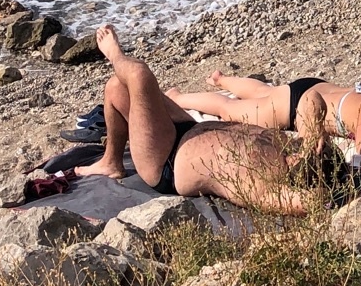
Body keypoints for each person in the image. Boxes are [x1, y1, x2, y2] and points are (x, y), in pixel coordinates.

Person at [73, 27, 313, 213]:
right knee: (117, 87)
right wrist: (316, 136)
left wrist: (327, 197)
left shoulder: (262, 185)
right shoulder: (290, 145)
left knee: (137, 75)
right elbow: (313, 100)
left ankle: (114, 55)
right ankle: (111, 162)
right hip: (192, 129)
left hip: (167, 161)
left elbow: (312, 202)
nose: (306, 156)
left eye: (312, 163)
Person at [168, 71, 361, 153]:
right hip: (294, 109)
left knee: (262, 92)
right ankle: (178, 98)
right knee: (228, 109)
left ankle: (221, 79)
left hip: (312, 86)